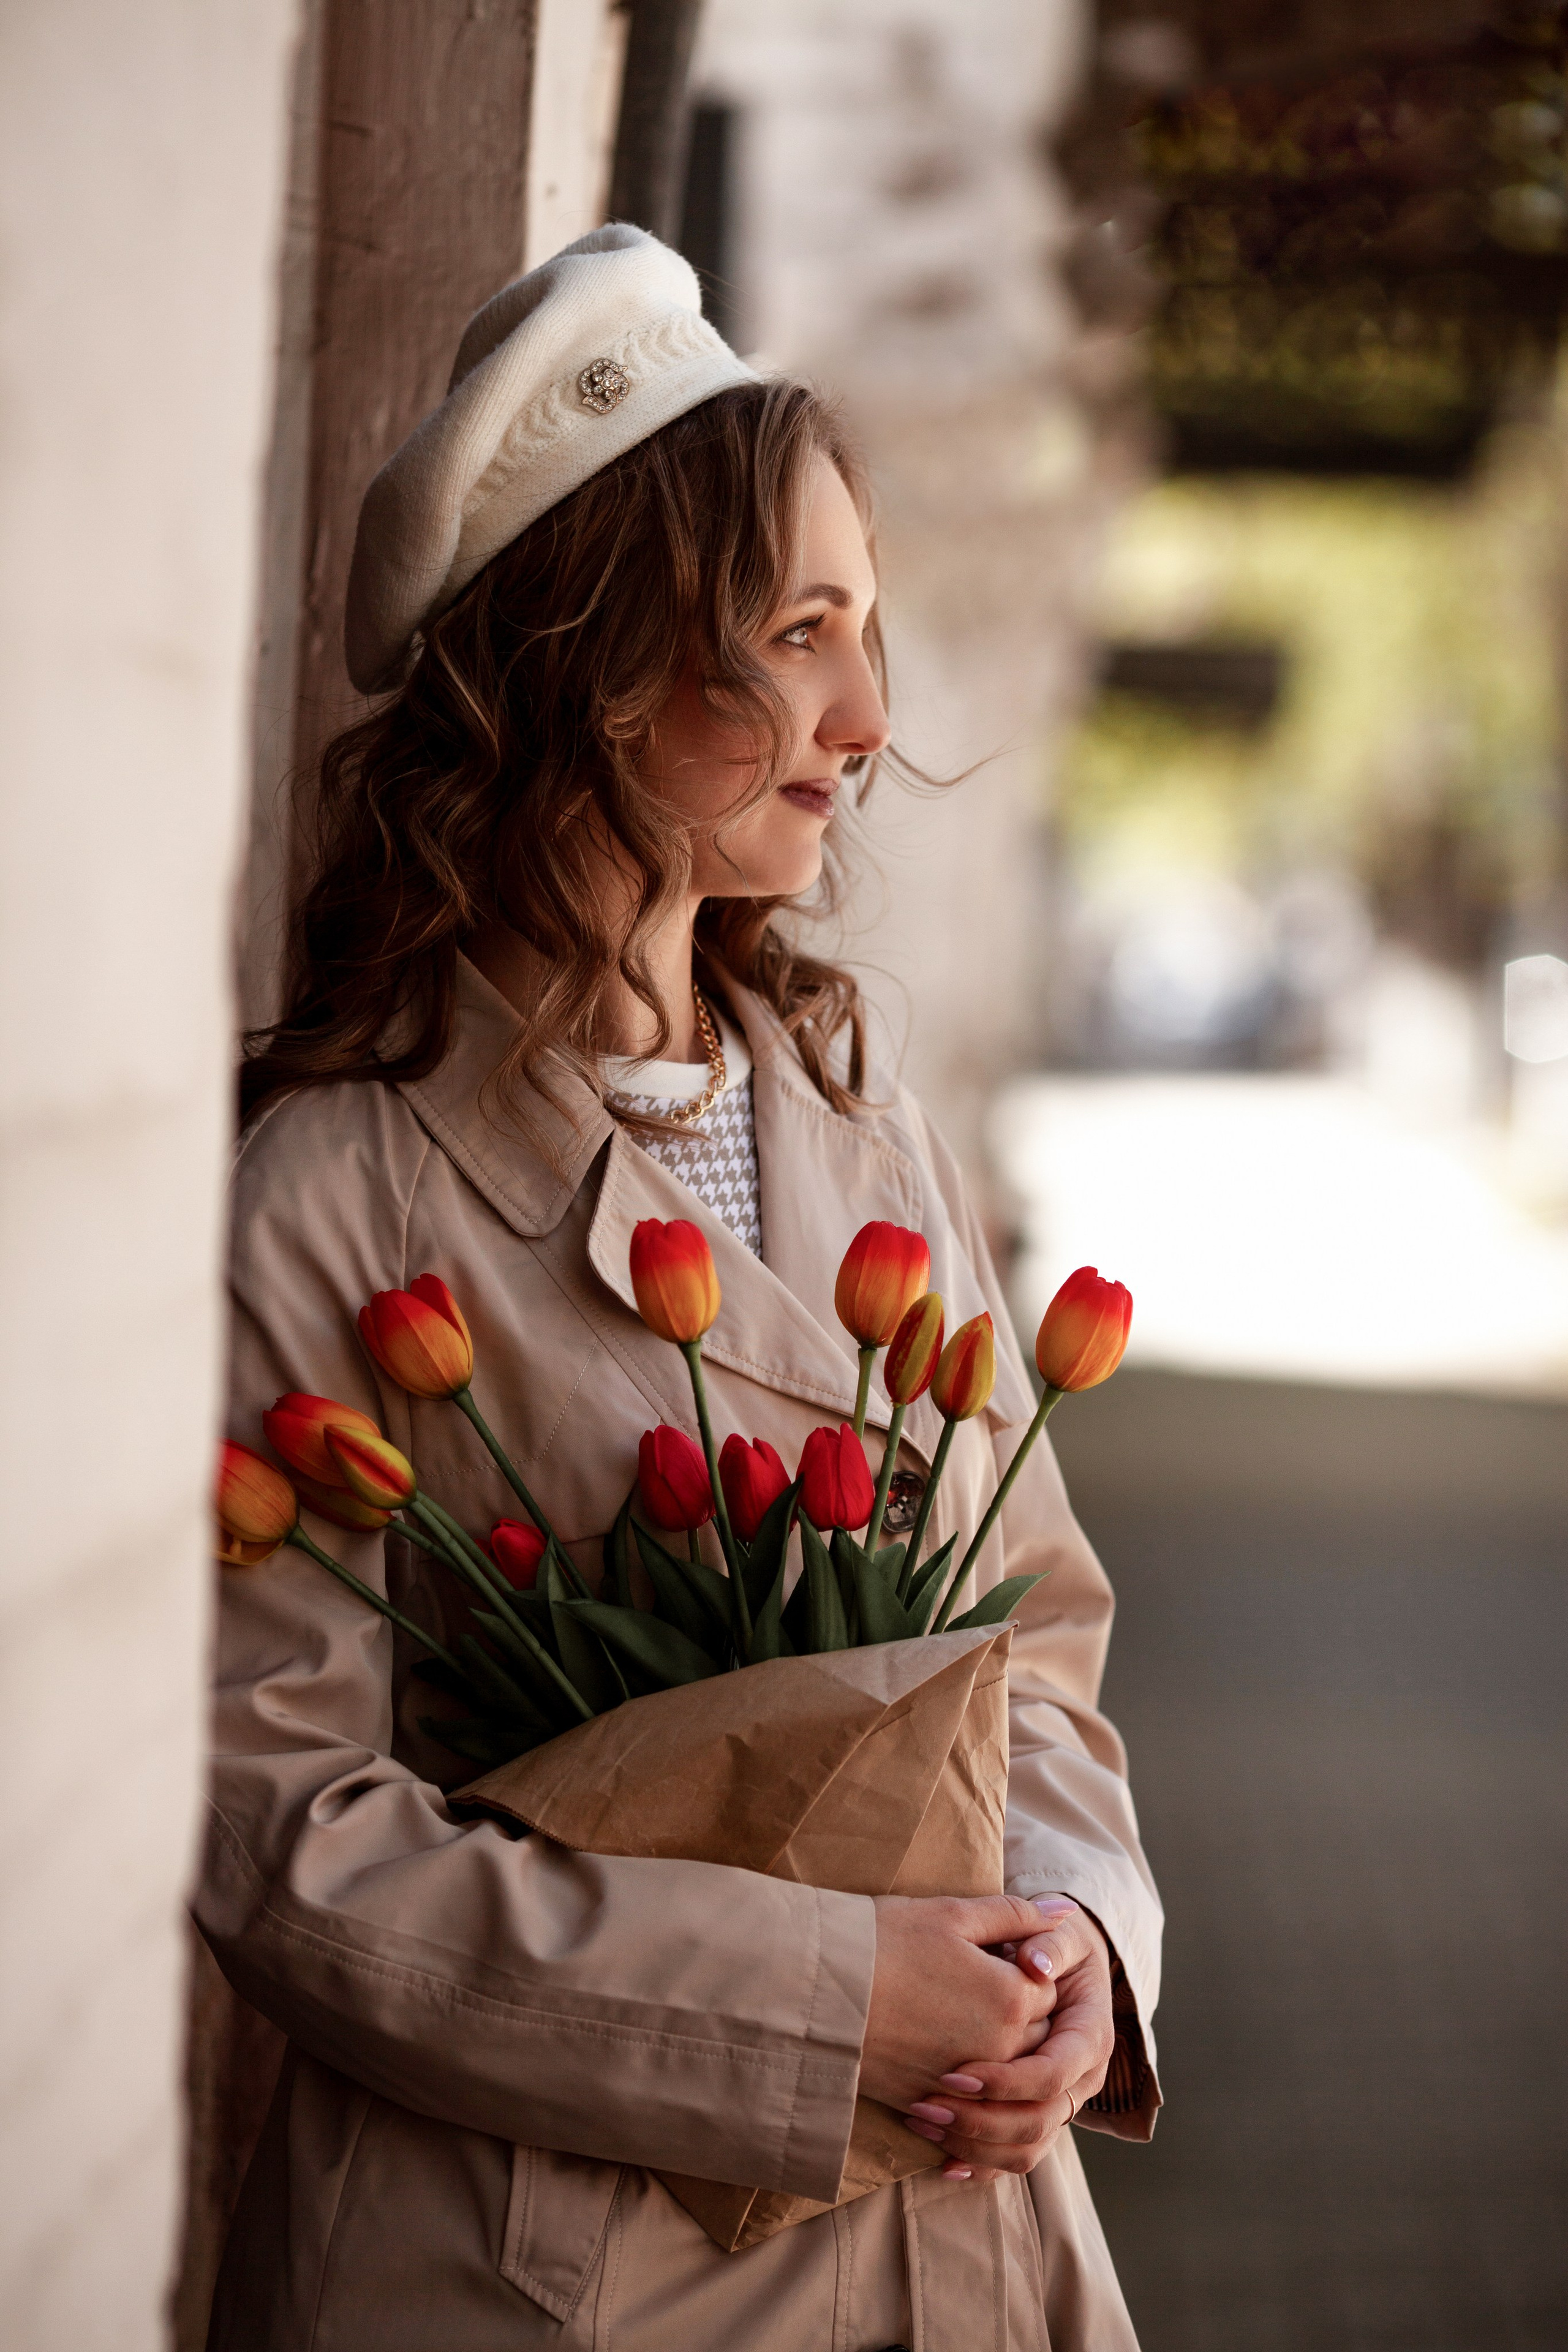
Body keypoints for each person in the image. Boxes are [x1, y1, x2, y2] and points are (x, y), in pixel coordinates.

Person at [200, 225, 1162, 2352]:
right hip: (543, 2266)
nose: (866, 714)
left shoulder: (859, 1104)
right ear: (598, 665)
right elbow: (284, 1830)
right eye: (800, 631)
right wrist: (831, 2005)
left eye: (872, 627)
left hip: (963, 2227)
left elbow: (1040, 1632)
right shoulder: (333, 1193)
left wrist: (1087, 1945)